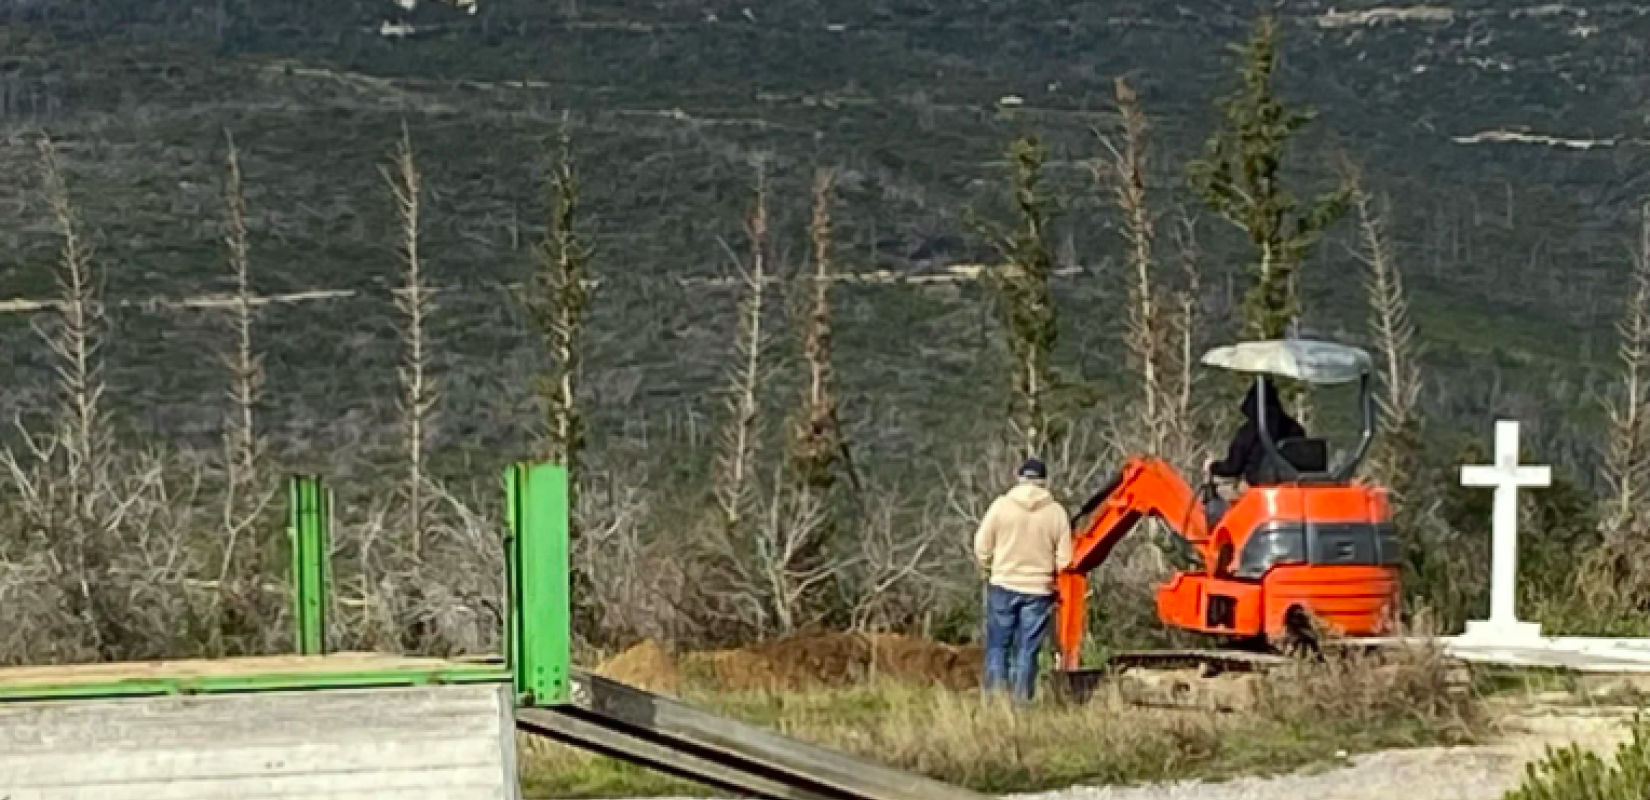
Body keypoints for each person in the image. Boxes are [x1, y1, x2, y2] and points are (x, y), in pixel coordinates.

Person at [972, 457, 1073, 704]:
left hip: (1003, 584)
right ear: (1043, 481)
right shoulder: (1057, 512)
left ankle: (996, 703)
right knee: (1027, 651)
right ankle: (1021, 705)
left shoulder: (1000, 506)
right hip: (1038, 590)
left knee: (998, 647)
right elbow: (1065, 560)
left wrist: (989, 568)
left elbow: (981, 545)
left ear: (1019, 478)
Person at [1203, 381, 1306, 522]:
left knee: (1222, 493)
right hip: (1294, 490)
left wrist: (1212, 466)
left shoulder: (1250, 431)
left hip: (1257, 488)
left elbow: (1232, 468)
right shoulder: (1295, 429)